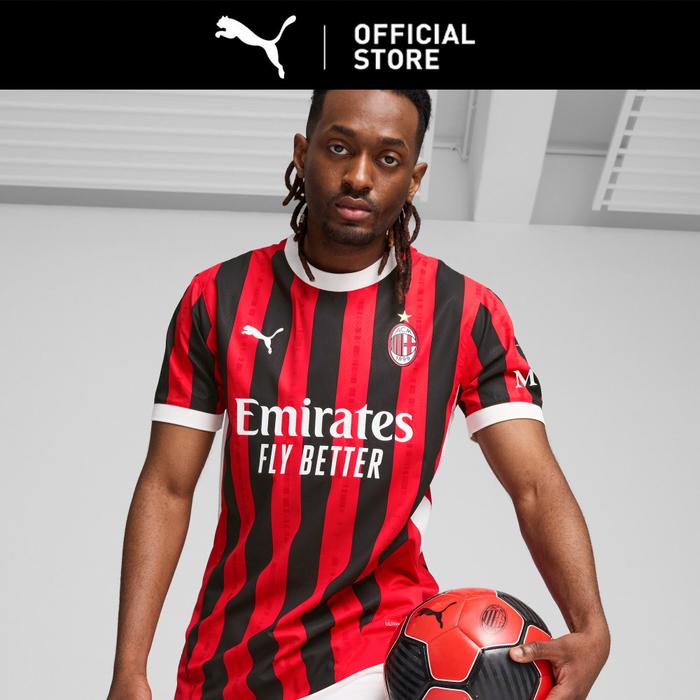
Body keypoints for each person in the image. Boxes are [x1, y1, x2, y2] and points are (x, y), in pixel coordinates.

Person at [107, 89, 610, 700]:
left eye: (388, 158)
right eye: (340, 148)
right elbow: (166, 486)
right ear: (303, 153)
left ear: (414, 178)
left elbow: (534, 485)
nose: (360, 177)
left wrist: (592, 627)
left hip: (378, 659)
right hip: (228, 664)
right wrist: (129, 668)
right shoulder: (217, 297)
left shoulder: (463, 312)